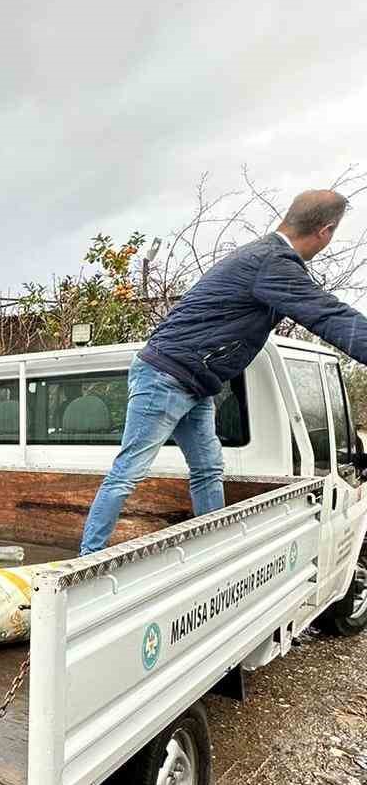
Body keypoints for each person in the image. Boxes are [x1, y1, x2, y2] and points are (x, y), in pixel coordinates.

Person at [80, 189, 367, 554]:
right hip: (166, 376)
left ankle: (211, 549)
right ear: (325, 231)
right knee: (129, 472)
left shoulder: (264, 257)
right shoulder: (272, 262)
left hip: (194, 383)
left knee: (208, 468)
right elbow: (329, 314)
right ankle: (87, 556)